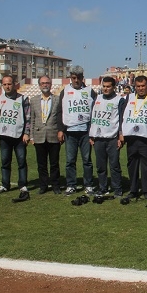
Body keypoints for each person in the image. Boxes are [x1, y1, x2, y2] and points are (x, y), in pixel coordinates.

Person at [56, 65, 97, 196]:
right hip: (70, 132)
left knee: (87, 160)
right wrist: (61, 129)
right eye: (74, 78)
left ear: (82, 78)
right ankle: (71, 185)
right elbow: (60, 111)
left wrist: (93, 131)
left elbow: (95, 111)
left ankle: (89, 185)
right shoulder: (65, 91)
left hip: (85, 132)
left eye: (79, 77)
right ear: (71, 78)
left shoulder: (90, 91)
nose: (76, 80)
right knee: (70, 161)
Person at [0, 75, 31, 202]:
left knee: (21, 161)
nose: (7, 86)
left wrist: (26, 133)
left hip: (19, 136)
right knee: (5, 161)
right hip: (4, 135)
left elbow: (28, 118)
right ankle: (5, 185)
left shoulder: (23, 99)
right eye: (5, 84)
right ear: (2, 85)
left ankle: (23, 185)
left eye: (9, 84)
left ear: (14, 84)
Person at [89, 77, 125, 199]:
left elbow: (121, 119)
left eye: (108, 86)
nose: (106, 88)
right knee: (100, 166)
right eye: (104, 86)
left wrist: (120, 136)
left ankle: (117, 189)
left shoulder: (119, 100)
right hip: (98, 137)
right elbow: (92, 117)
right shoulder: (97, 98)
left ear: (114, 87)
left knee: (114, 165)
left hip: (112, 138)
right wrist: (91, 134)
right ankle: (102, 187)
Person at [121, 75, 147, 201]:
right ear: (135, 87)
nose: (141, 89)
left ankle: (146, 190)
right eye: (138, 86)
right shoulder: (129, 98)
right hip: (131, 138)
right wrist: (121, 132)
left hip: (145, 138)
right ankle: (133, 190)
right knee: (132, 165)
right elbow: (122, 116)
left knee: (146, 166)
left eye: (143, 86)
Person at [29, 75, 62, 195]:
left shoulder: (58, 99)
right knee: (41, 164)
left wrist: (60, 131)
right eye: (42, 83)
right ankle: (43, 185)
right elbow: (32, 119)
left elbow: (60, 118)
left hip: (54, 135)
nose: (45, 85)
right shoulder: (33, 100)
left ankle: (55, 185)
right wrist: (31, 136)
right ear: (39, 85)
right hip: (39, 136)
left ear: (51, 84)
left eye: (47, 83)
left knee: (54, 163)